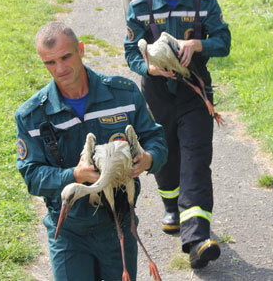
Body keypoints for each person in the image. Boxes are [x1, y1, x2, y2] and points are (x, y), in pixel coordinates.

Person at [15, 21, 167, 280]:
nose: (60, 69)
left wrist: (149, 158)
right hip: (68, 232)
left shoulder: (124, 95)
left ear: (81, 49)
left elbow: (155, 138)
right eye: (50, 63)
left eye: (66, 57)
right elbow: (32, 176)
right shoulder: (31, 115)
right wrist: (74, 175)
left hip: (117, 224)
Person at [123, 0, 231, 269]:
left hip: (195, 92)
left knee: (197, 160)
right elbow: (130, 52)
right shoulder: (139, 6)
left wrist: (197, 43)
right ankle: (171, 206)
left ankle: (198, 240)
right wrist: (148, 67)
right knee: (165, 156)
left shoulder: (204, 2)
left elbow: (223, 42)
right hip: (156, 93)